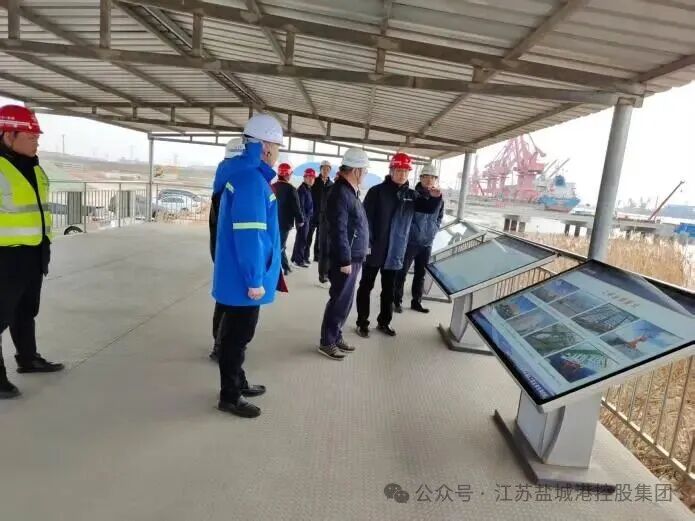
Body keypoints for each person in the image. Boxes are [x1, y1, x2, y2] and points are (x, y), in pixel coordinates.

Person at [212, 113, 283, 418]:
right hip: (244, 279)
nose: (277, 152)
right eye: (277, 146)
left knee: (236, 336)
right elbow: (250, 234)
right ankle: (230, 395)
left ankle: (238, 382)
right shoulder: (252, 181)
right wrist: (255, 279)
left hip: (236, 274)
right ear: (265, 147)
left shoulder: (243, 174)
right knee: (236, 338)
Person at [0, 105, 64, 399]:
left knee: (26, 310)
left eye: (37, 136)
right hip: (5, 256)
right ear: (8, 135)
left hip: (34, 253)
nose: (37, 141)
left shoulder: (34, 168)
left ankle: (28, 358)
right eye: (30, 136)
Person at [355, 152, 442, 338]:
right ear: (391, 170)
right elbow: (364, 221)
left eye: (405, 171)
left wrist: (436, 197)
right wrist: (366, 245)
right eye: (399, 170)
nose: (402, 174)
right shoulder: (377, 192)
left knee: (389, 290)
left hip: (396, 250)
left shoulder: (411, 195)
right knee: (366, 286)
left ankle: (384, 322)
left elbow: (427, 208)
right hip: (375, 249)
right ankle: (362, 322)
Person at [318, 148, 370, 360]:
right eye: (365, 171)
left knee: (346, 301)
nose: (365, 175)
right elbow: (338, 229)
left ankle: (336, 334)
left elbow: (354, 225)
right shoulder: (340, 193)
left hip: (353, 256)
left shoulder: (349, 191)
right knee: (339, 300)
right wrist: (345, 259)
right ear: (356, 171)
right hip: (345, 259)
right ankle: (327, 341)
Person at [208, 137, 244, 362]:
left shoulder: (222, 179)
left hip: (221, 249)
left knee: (224, 299)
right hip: (229, 251)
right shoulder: (231, 185)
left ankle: (219, 344)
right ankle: (221, 346)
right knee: (230, 302)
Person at [393, 164, 444, 314]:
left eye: (432, 177)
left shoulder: (438, 198)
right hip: (411, 242)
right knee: (401, 272)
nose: (429, 180)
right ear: (420, 178)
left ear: (436, 179)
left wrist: (434, 230)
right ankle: (396, 301)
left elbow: (440, 217)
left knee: (420, 275)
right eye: (426, 177)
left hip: (427, 243)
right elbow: (406, 217)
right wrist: (412, 232)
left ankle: (417, 302)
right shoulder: (413, 196)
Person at [272, 163, 303, 276]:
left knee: (275, 244)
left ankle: (283, 267)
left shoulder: (272, 186)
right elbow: (296, 207)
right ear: (287, 175)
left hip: (271, 222)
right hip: (284, 223)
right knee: (281, 246)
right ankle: (283, 267)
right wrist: (300, 220)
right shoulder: (291, 189)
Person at [309, 160, 333, 282]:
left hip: (324, 215)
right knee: (308, 235)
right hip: (313, 213)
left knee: (320, 238)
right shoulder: (315, 181)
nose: (325, 171)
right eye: (324, 168)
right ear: (320, 169)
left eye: (328, 169)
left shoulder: (331, 184)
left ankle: (317, 256)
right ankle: (304, 256)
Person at [291, 167, 316, 268]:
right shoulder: (302, 190)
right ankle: (299, 261)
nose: (311, 179)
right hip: (303, 219)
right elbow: (300, 206)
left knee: (300, 239)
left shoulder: (307, 189)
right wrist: (302, 219)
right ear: (304, 177)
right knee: (302, 240)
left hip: (306, 218)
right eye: (309, 177)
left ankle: (294, 258)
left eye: (312, 178)